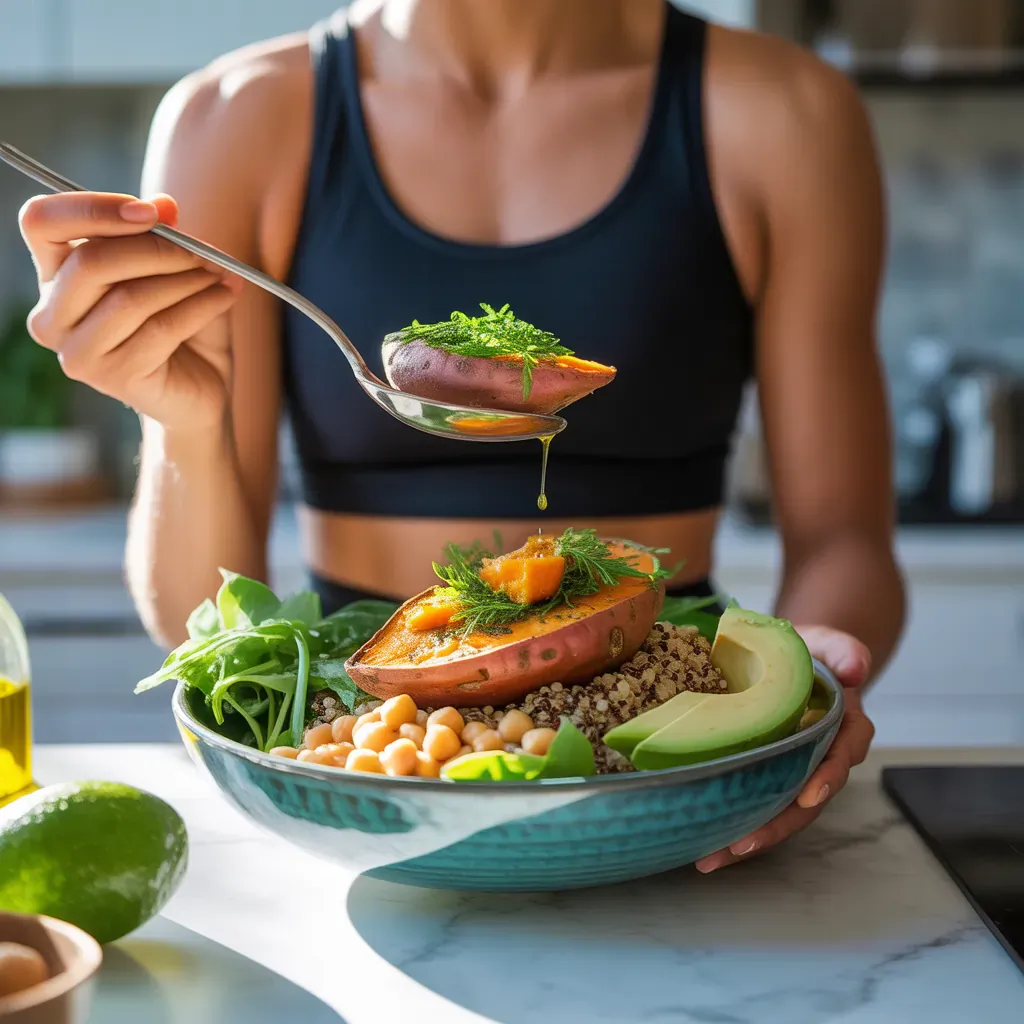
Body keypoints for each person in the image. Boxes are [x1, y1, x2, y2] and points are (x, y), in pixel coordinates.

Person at [17, 0, 904, 871]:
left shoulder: (786, 112)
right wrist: (184, 422)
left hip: (668, 746)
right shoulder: (237, 117)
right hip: (365, 758)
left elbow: (845, 541)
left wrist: (802, 685)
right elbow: (198, 619)